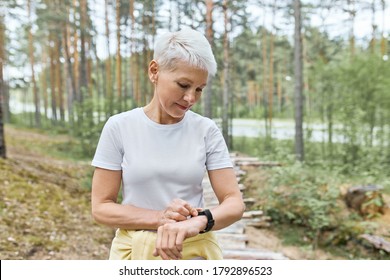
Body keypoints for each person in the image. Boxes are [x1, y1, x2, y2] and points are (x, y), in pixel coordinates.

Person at [91, 27, 245, 260]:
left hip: (193, 251)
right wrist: (160, 217)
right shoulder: (119, 127)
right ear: (155, 71)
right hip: (132, 253)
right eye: (183, 85)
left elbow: (234, 203)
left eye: (199, 89)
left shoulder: (206, 130)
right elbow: (101, 207)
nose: (191, 98)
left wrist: (198, 223)